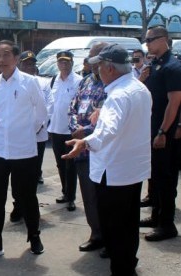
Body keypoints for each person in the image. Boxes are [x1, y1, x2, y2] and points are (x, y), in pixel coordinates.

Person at [63, 44, 152, 276]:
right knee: (129, 225)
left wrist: (86, 142)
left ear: (110, 68)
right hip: (131, 171)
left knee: (115, 228)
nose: (98, 71)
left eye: (100, 66)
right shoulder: (138, 88)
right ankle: (128, 265)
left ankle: (121, 270)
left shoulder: (118, 95)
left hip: (113, 173)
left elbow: (110, 130)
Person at [0, 40, 48, 261]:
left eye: (6, 55)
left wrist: (26, 133)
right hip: (1, 150)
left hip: (24, 150)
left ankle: (34, 236)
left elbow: (42, 114)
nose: (1, 60)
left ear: (15, 58)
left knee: (27, 197)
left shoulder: (30, 82)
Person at [139, 25, 181, 242]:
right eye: (146, 40)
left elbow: (174, 103)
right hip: (152, 130)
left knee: (166, 179)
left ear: (164, 39)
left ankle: (167, 225)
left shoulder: (173, 67)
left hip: (165, 134)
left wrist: (163, 131)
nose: (147, 44)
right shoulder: (154, 65)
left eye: (150, 40)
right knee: (155, 177)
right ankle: (156, 216)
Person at [68, 42, 108, 253]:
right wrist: (76, 127)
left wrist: (87, 130)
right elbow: (72, 108)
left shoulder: (113, 85)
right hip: (82, 151)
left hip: (104, 152)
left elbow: (110, 119)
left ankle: (111, 238)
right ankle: (96, 234)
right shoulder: (84, 82)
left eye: (98, 58)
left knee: (107, 197)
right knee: (89, 195)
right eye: (91, 59)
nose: (94, 63)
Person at [10, 50, 50, 223]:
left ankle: (29, 206)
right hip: (17, 137)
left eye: (33, 64)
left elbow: (46, 109)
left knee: (32, 174)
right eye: (27, 64)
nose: (30, 67)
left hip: (37, 136)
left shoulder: (44, 83)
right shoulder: (12, 81)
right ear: (20, 65)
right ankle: (18, 205)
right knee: (16, 174)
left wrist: (32, 130)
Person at [48, 50, 82, 211]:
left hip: (70, 130)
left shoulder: (78, 81)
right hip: (55, 128)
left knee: (71, 165)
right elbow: (50, 104)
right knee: (60, 163)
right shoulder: (54, 80)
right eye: (61, 62)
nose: (63, 64)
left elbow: (80, 105)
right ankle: (64, 192)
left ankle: (71, 197)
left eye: (66, 62)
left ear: (72, 63)